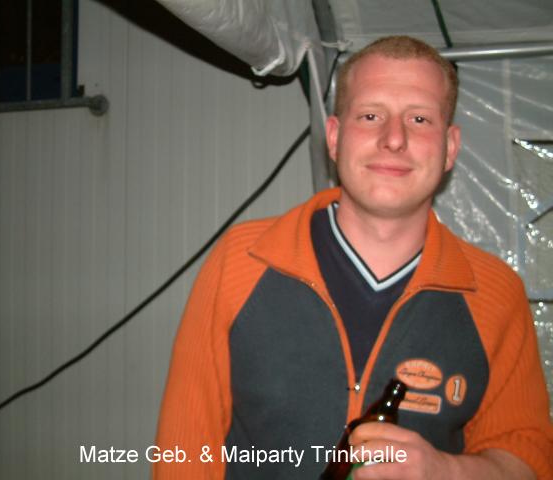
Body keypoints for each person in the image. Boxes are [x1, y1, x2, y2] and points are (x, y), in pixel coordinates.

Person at [154, 36, 553, 479]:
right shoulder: (241, 262)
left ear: (450, 147)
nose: (394, 138)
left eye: (419, 119)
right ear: (334, 137)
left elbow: (529, 456)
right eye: (370, 116)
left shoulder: (496, 294)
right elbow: (182, 455)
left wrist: (446, 471)